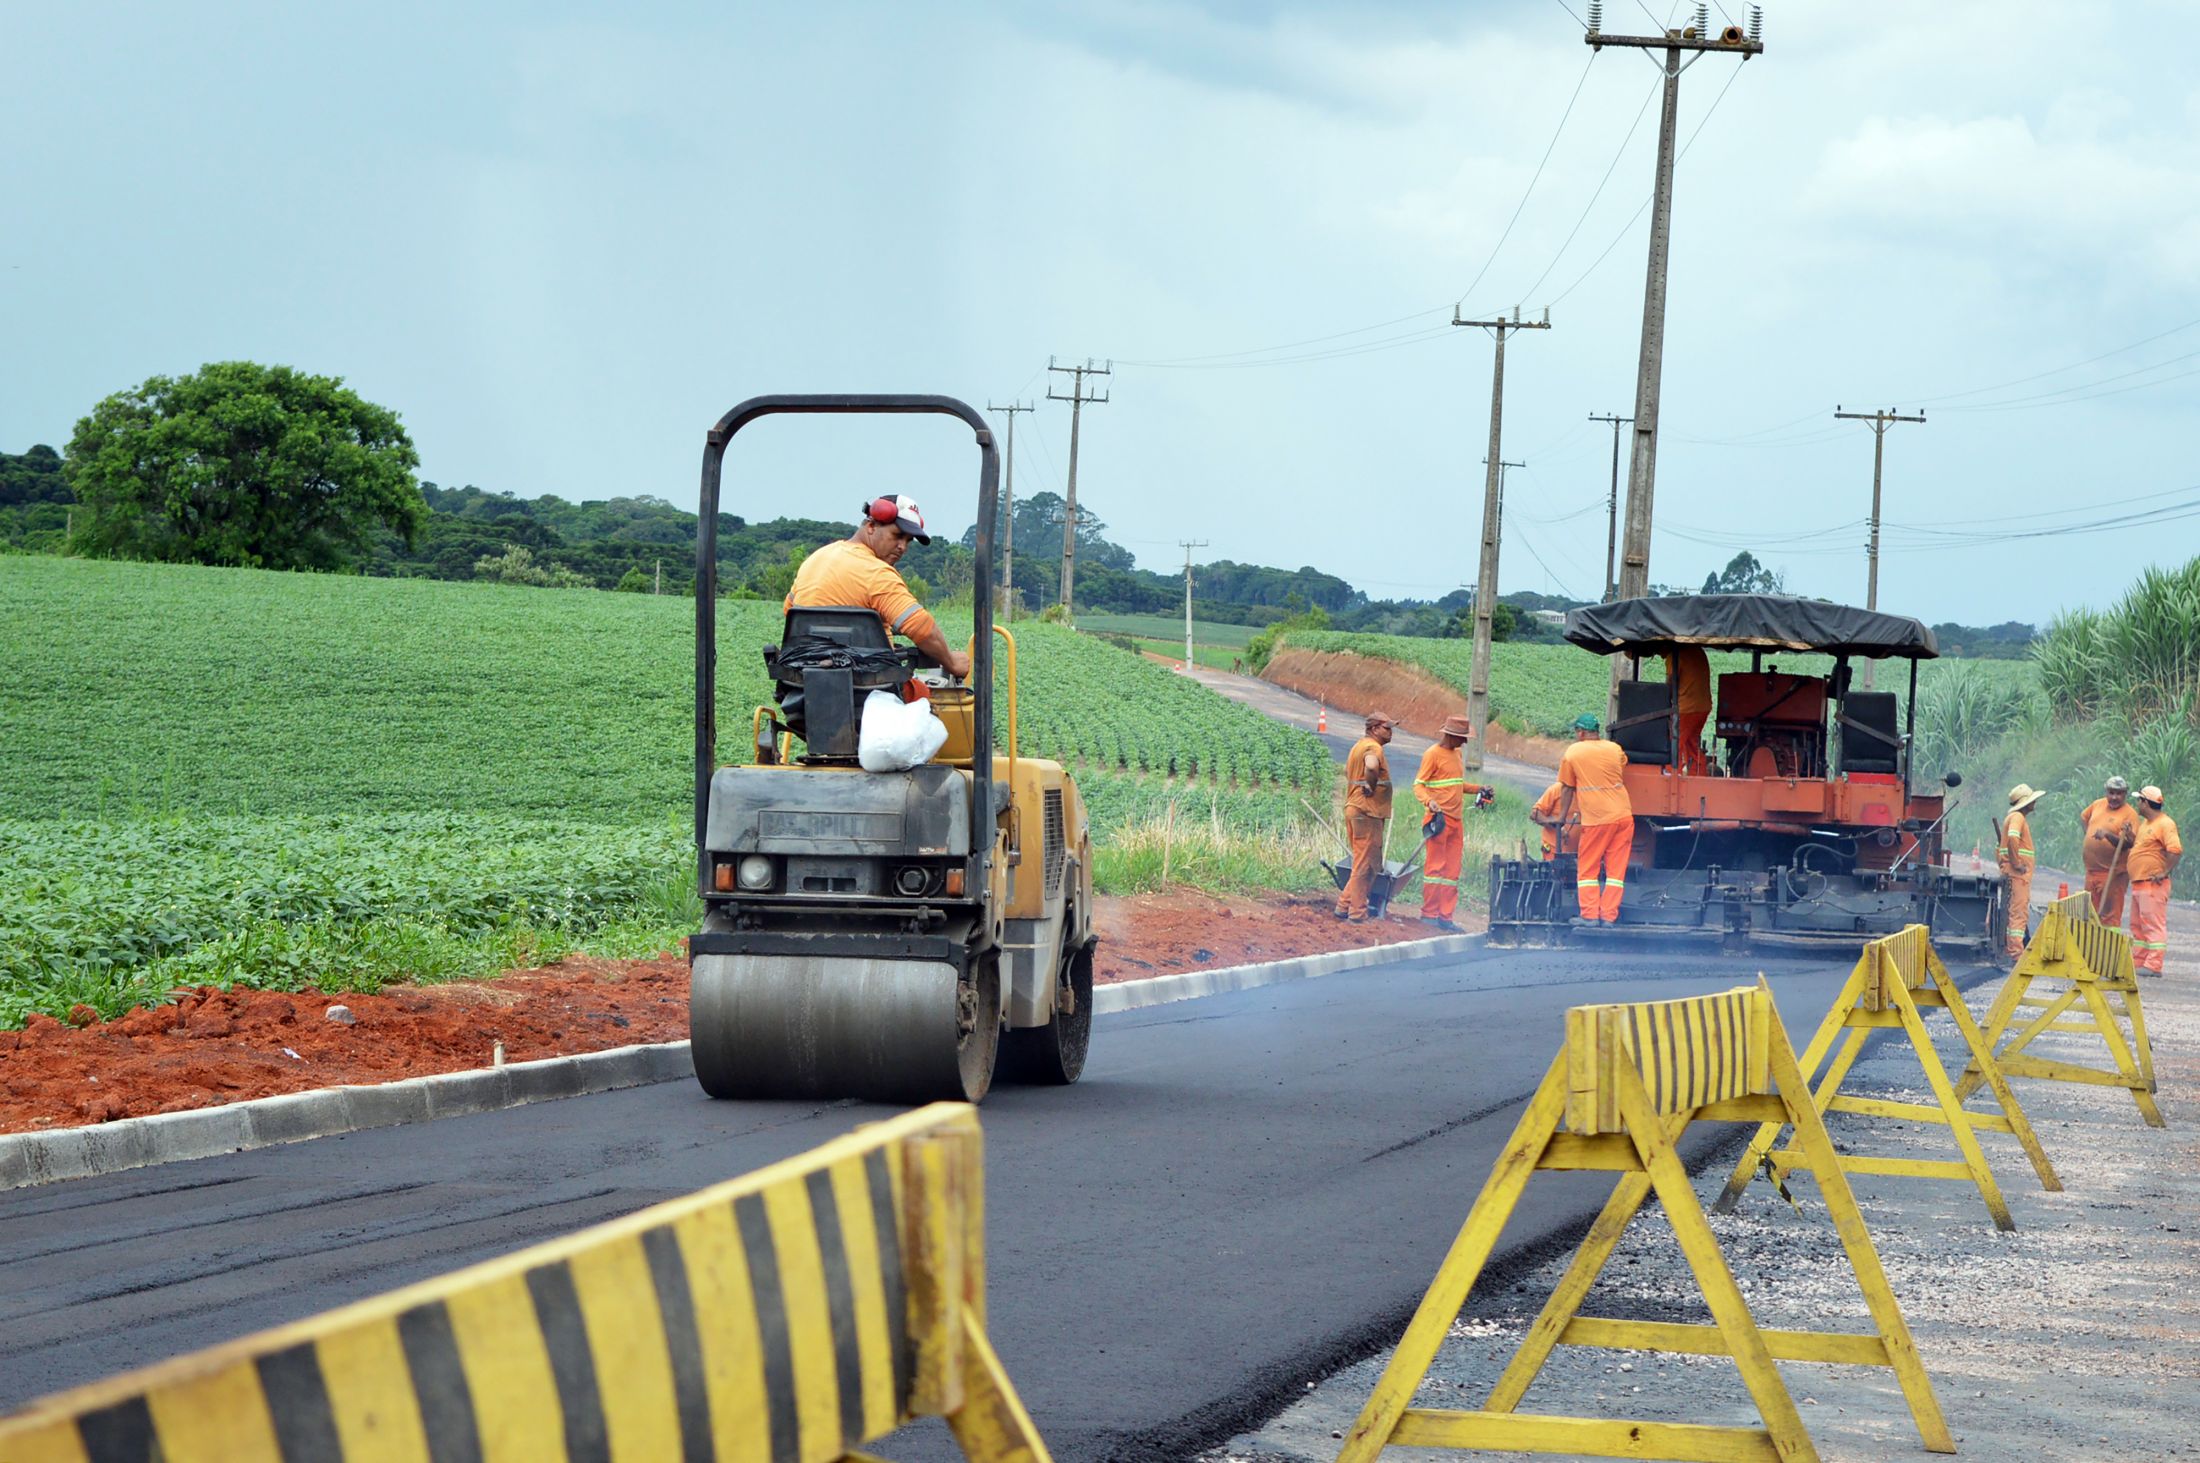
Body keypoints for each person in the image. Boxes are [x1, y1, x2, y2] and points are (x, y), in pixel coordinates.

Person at [784, 495, 972, 681]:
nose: (902, 547)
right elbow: (920, 627)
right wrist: (952, 662)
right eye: (897, 536)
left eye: (908, 541)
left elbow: (791, 612)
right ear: (871, 526)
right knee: (932, 697)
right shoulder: (877, 573)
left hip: (803, 685)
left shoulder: (816, 558)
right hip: (869, 688)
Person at [1412, 714, 1488, 932]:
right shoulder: (1432, 754)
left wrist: (1478, 789)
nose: (1464, 742)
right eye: (1461, 737)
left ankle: (1445, 917)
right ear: (1450, 735)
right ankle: (1429, 915)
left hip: (1456, 820)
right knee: (1435, 868)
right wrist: (1430, 802)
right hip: (1438, 819)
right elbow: (1419, 785)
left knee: (1452, 871)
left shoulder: (1456, 754)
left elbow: (1456, 783)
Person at [1556, 712, 1632, 924]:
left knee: (1588, 868)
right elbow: (1623, 763)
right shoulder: (1614, 748)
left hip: (1597, 819)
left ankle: (1589, 916)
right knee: (1616, 871)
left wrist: (1561, 818)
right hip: (1624, 816)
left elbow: (1567, 788)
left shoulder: (1574, 752)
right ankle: (1608, 917)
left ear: (1580, 732)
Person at [1335, 711, 1395, 924]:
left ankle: (1344, 905)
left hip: (1356, 808)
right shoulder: (1373, 747)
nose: (1391, 732)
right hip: (1366, 811)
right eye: (1386, 728)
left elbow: (1347, 771)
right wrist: (1370, 785)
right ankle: (1357, 913)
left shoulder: (1358, 746)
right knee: (1365, 864)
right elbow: (1371, 766)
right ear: (1374, 729)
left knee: (1363, 861)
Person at [2127, 784, 2182, 976]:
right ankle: (2139, 960)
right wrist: (2129, 837)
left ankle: (2153, 965)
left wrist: (2164, 872)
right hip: (2139, 882)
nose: (2137, 804)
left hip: (2153, 885)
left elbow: (2175, 850)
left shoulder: (2165, 824)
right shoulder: (2147, 824)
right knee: (2138, 925)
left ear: (2145, 803)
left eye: (2139, 800)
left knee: (2153, 925)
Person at [2077, 775, 2141, 927]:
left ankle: (2108, 949)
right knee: (2090, 914)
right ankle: (2091, 948)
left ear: (2125, 794)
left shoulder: (2129, 814)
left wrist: (2107, 835)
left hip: (2112, 873)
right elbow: (2083, 817)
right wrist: (2089, 836)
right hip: (2092, 871)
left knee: (2108, 916)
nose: (2114, 797)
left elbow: (2128, 843)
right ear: (2106, 792)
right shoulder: (2098, 804)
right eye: (2111, 792)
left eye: (2119, 793)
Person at [1998, 783, 2043, 959]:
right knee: (2018, 912)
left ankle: (2010, 948)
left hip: (2013, 873)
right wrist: (2016, 864)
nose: (2035, 803)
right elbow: (2012, 839)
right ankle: (2016, 953)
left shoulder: (2013, 817)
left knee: (2012, 910)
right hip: (2017, 874)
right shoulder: (2017, 818)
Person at [1665, 645, 1713, 776]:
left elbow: (1671, 681)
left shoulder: (1674, 654)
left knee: (1674, 743)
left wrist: (1663, 700)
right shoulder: (1697, 651)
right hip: (1703, 707)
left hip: (1686, 708)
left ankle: (1672, 778)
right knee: (1692, 744)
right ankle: (1698, 776)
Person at [1529, 780, 1572, 861]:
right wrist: (1557, 827)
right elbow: (1535, 814)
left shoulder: (1588, 791)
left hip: (1583, 854)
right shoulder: (1557, 789)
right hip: (1554, 852)